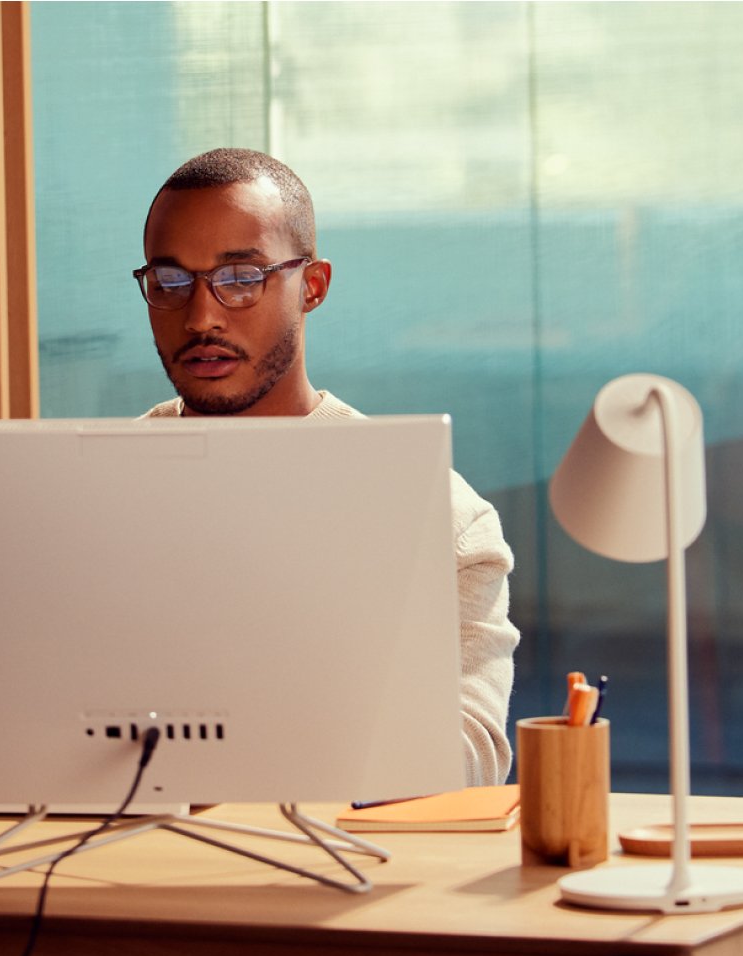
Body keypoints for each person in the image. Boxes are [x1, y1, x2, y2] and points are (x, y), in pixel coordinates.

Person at [134, 148, 518, 786]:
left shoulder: (440, 517)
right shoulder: (96, 492)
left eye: (241, 277)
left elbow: (470, 761)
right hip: (115, 861)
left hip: (337, 866)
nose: (201, 317)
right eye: (172, 283)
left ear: (311, 286)